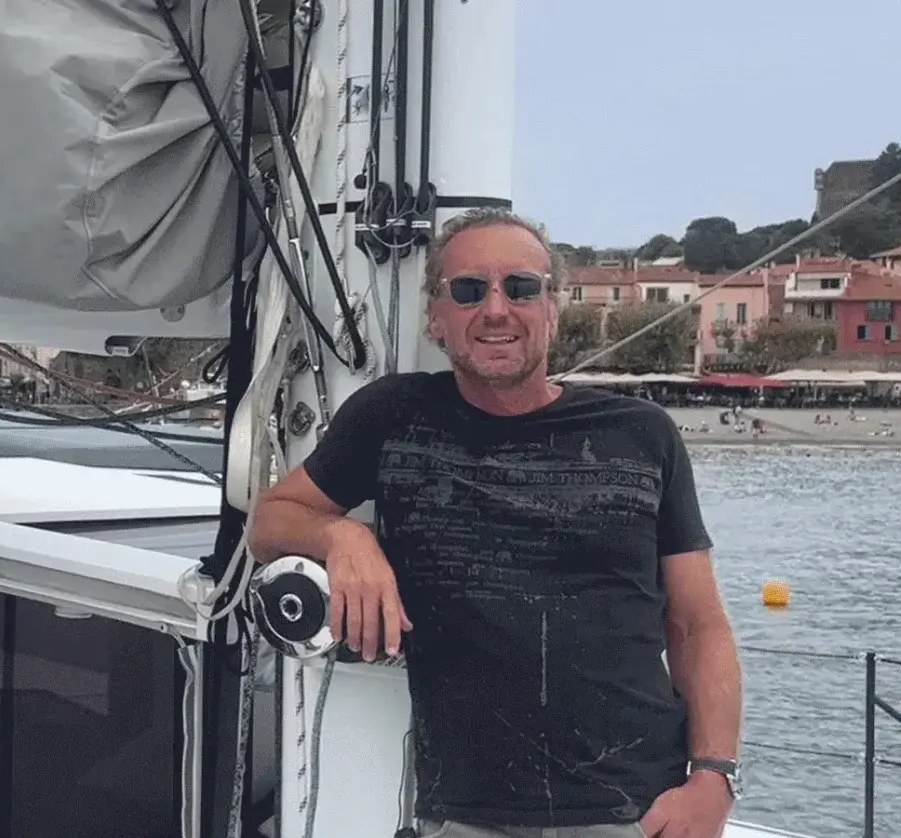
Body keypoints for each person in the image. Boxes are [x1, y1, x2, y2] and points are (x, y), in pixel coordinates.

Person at [248, 208, 742, 838]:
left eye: (522, 287)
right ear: (436, 316)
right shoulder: (392, 417)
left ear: (552, 309)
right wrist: (345, 534)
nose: (496, 309)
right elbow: (270, 520)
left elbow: (698, 624)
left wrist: (714, 777)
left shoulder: (642, 434)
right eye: (469, 290)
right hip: (467, 814)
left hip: (639, 809)